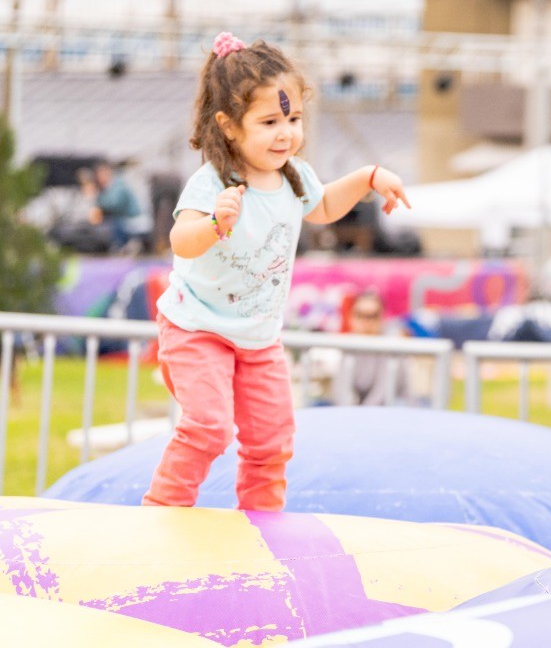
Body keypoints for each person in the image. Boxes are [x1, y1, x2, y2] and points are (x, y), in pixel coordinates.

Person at [142, 32, 410, 510]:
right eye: (269, 121)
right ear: (228, 126)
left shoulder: (293, 175)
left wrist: (369, 177)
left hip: (259, 338)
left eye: (293, 118)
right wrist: (214, 222)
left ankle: (262, 524)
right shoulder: (214, 183)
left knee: (272, 439)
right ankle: (163, 511)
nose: (285, 132)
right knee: (208, 426)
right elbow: (179, 241)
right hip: (197, 327)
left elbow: (325, 204)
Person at [332, 290, 412, 406]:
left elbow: (384, 391)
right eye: (360, 315)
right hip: (362, 408)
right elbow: (341, 388)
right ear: (351, 317)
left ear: (381, 317)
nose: (366, 322)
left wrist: (361, 416)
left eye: (372, 316)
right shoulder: (349, 343)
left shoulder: (391, 343)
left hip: (393, 406)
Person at [92, 159, 148, 251]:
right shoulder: (108, 187)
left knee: (114, 222)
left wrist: (96, 198)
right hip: (124, 219)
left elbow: (114, 204)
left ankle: (120, 246)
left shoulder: (118, 185)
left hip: (131, 218)